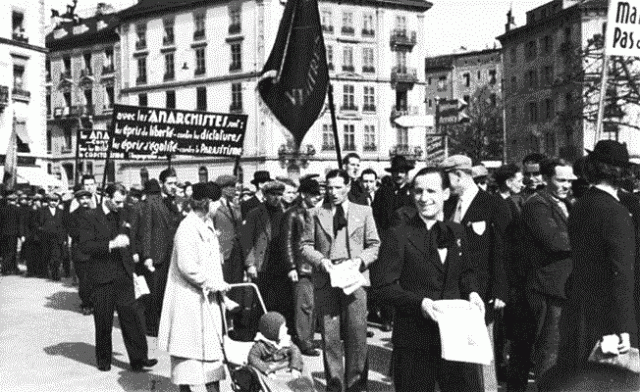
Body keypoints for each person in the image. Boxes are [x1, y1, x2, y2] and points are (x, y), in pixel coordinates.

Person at [371, 166, 484, 392]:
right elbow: (383, 286)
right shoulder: (399, 233)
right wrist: (419, 303)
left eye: (431, 191)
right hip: (415, 338)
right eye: (418, 191)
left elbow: (466, 273)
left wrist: (473, 292)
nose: (424, 198)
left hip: (456, 337)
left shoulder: (456, 231)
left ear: (445, 193)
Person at [546, 141, 638, 391]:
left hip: (581, 311)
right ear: (622, 173)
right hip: (608, 316)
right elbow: (621, 275)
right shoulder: (615, 212)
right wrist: (624, 328)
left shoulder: (581, 205)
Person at [301, 169, 380, 392]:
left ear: (347, 187)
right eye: (329, 187)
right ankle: (334, 386)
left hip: (355, 280)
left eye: (338, 187)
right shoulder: (314, 213)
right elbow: (305, 245)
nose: (333, 192)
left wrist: (360, 262)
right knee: (330, 337)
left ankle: (357, 386)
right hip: (327, 281)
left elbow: (374, 245)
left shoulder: (363, 212)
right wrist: (322, 262)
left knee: (357, 336)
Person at [440, 154, 510, 392]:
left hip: (482, 291)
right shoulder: (448, 205)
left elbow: (503, 250)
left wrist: (501, 290)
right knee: (455, 353)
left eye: (446, 178)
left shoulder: (493, 204)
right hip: (451, 291)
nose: (444, 185)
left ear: (459, 175)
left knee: (482, 353)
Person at [76, 183, 156, 372]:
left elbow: (132, 237)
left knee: (133, 318)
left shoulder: (124, 214)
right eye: (117, 201)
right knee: (103, 320)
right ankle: (103, 360)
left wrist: (134, 256)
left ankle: (139, 359)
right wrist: (111, 244)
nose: (120, 206)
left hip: (123, 274)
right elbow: (85, 246)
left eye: (122, 202)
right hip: (102, 277)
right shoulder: (90, 217)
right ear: (107, 197)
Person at [158, 182, 230, 392]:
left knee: (210, 356)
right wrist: (212, 283)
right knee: (189, 360)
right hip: (189, 301)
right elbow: (187, 266)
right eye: (217, 202)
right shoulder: (188, 227)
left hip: (206, 300)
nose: (220, 206)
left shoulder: (206, 224)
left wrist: (220, 289)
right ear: (207, 203)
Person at [520, 158, 575, 389]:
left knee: (564, 349)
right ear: (545, 179)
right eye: (560, 180)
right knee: (549, 350)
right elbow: (555, 241)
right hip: (549, 288)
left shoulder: (568, 203)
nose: (566, 185)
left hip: (566, 287)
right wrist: (591, 236)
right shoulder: (536, 204)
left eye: (569, 180)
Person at [283, 176, 324, 357]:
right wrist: (291, 266)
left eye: (318, 195)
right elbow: (286, 242)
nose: (317, 198)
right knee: (304, 306)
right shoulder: (292, 214)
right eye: (313, 195)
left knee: (313, 305)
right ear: (304, 194)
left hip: (316, 266)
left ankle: (307, 338)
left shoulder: (318, 212)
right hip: (302, 267)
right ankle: (304, 341)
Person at [140, 169, 182, 337]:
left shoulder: (178, 202)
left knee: (168, 291)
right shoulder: (152, 201)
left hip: (173, 253)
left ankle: (165, 324)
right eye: (170, 183)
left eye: (175, 183)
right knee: (154, 292)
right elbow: (146, 230)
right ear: (162, 183)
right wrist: (147, 255)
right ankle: (151, 326)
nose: (173, 187)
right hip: (157, 254)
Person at [242, 181, 290, 330]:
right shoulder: (255, 213)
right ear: (265, 195)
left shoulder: (286, 213)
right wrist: (250, 264)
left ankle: (277, 331)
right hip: (263, 263)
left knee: (280, 300)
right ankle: (256, 330)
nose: (276, 198)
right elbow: (247, 240)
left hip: (281, 263)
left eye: (279, 194)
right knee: (261, 299)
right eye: (273, 194)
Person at [248, 311, 314, 392]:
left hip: (286, 366)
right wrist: (266, 369)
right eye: (283, 328)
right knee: (271, 382)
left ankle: (306, 387)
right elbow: (253, 358)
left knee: (302, 366)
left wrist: (295, 367)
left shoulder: (286, 341)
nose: (286, 329)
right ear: (273, 331)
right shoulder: (260, 345)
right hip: (271, 368)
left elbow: (295, 352)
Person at [372, 156, 414, 233]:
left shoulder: (412, 194)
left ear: (406, 174)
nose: (399, 175)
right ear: (391, 173)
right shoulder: (382, 192)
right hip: (386, 238)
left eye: (402, 172)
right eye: (396, 172)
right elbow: (375, 216)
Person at [69, 189, 95, 315]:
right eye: (82, 199)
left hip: (95, 251)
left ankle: (94, 301)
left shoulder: (96, 213)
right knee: (84, 280)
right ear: (78, 200)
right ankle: (86, 303)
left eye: (87, 198)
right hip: (81, 252)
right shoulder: (73, 215)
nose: (85, 201)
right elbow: (73, 233)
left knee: (95, 280)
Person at [38, 193, 67, 281]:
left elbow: (64, 226)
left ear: (58, 201)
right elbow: (39, 223)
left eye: (55, 201)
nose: (53, 203)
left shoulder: (61, 212)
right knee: (46, 255)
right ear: (48, 201)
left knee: (56, 256)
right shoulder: (43, 211)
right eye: (51, 200)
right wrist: (43, 230)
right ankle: (44, 272)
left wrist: (64, 238)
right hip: (46, 237)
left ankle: (55, 274)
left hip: (57, 238)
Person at [0, 192, 25, 275]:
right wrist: (21, 235)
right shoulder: (18, 209)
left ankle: (13, 268)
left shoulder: (2, 209)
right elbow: (20, 223)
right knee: (11, 251)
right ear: (16, 200)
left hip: (3, 233)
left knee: (5, 251)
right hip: (13, 234)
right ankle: (5, 268)